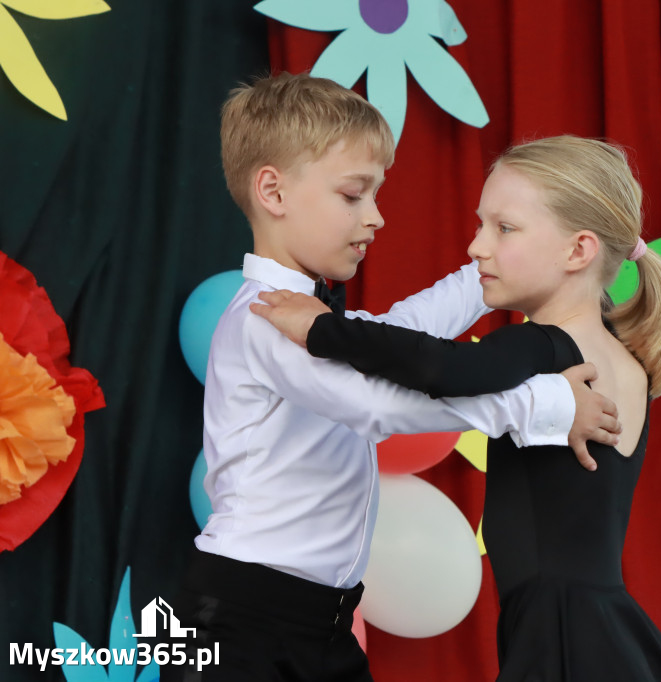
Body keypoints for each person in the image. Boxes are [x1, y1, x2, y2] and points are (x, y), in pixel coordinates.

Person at [163, 75, 622, 682]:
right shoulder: (266, 319)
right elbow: (377, 404)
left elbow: (402, 330)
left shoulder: (316, 317)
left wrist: (498, 264)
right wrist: (540, 403)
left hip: (321, 620)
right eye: (355, 195)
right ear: (272, 191)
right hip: (242, 616)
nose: (376, 217)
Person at [252, 135, 661, 681]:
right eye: (482, 224)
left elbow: (443, 370)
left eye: (503, 228)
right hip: (606, 624)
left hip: (557, 631)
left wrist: (322, 327)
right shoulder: (629, 362)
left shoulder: (544, 348)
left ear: (579, 251)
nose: (477, 247)